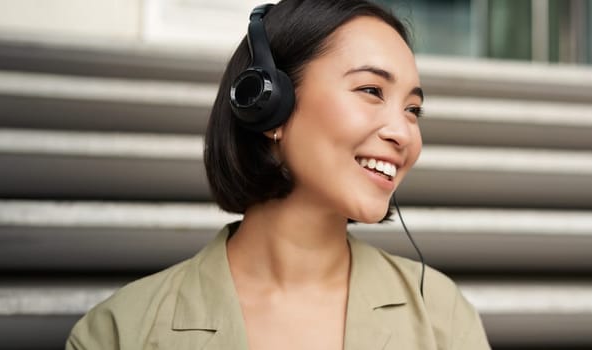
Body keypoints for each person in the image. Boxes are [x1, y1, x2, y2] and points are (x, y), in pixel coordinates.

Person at [65, 0, 490, 349]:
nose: (403, 134)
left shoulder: (441, 317)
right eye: (371, 91)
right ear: (269, 105)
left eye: (412, 110)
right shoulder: (120, 332)